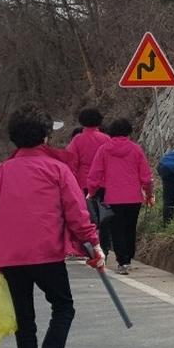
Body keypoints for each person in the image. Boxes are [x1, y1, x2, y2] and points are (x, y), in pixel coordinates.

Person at [0, 104, 104, 348]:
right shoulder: (57, 169)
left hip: (9, 258)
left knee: (23, 317)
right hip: (47, 254)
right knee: (63, 306)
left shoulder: (2, 172)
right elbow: (77, 214)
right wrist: (94, 247)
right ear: (45, 137)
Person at [88, 118, 154, 275]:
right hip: (133, 197)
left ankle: (122, 261)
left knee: (116, 229)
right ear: (129, 131)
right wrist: (149, 193)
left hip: (113, 197)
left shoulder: (104, 149)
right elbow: (145, 176)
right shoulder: (136, 149)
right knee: (130, 228)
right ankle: (129, 258)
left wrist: (92, 191)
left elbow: (95, 173)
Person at [66, 107, 112, 253]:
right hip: (105, 182)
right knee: (105, 216)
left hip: (84, 183)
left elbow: (71, 162)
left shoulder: (77, 140)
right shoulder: (106, 139)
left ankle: (90, 247)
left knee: (88, 217)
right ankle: (105, 246)